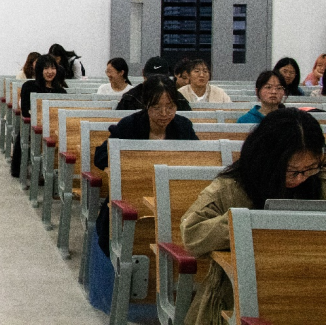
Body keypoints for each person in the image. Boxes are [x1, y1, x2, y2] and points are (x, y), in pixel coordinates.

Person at [180, 108, 326, 325]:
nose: (300, 179)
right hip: (237, 295)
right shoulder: (231, 187)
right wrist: (247, 224)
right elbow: (192, 234)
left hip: (311, 286)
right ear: (268, 160)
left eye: (310, 169)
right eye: (292, 171)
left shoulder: (319, 181)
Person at [94, 75, 198, 254]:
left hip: (173, 199)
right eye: (156, 108)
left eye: (170, 107)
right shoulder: (130, 125)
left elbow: (198, 159)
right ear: (146, 105)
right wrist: (116, 168)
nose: (164, 114)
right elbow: (101, 155)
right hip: (132, 196)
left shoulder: (183, 126)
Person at [13, 55, 66, 177]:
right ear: (39, 70)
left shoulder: (60, 91)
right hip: (35, 128)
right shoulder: (29, 86)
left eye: (53, 68)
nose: (50, 72)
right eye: (46, 68)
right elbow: (25, 111)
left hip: (55, 129)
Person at [116, 56, 191, 112]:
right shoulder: (130, 98)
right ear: (143, 74)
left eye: (160, 79)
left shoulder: (178, 98)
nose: (156, 83)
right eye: (152, 79)